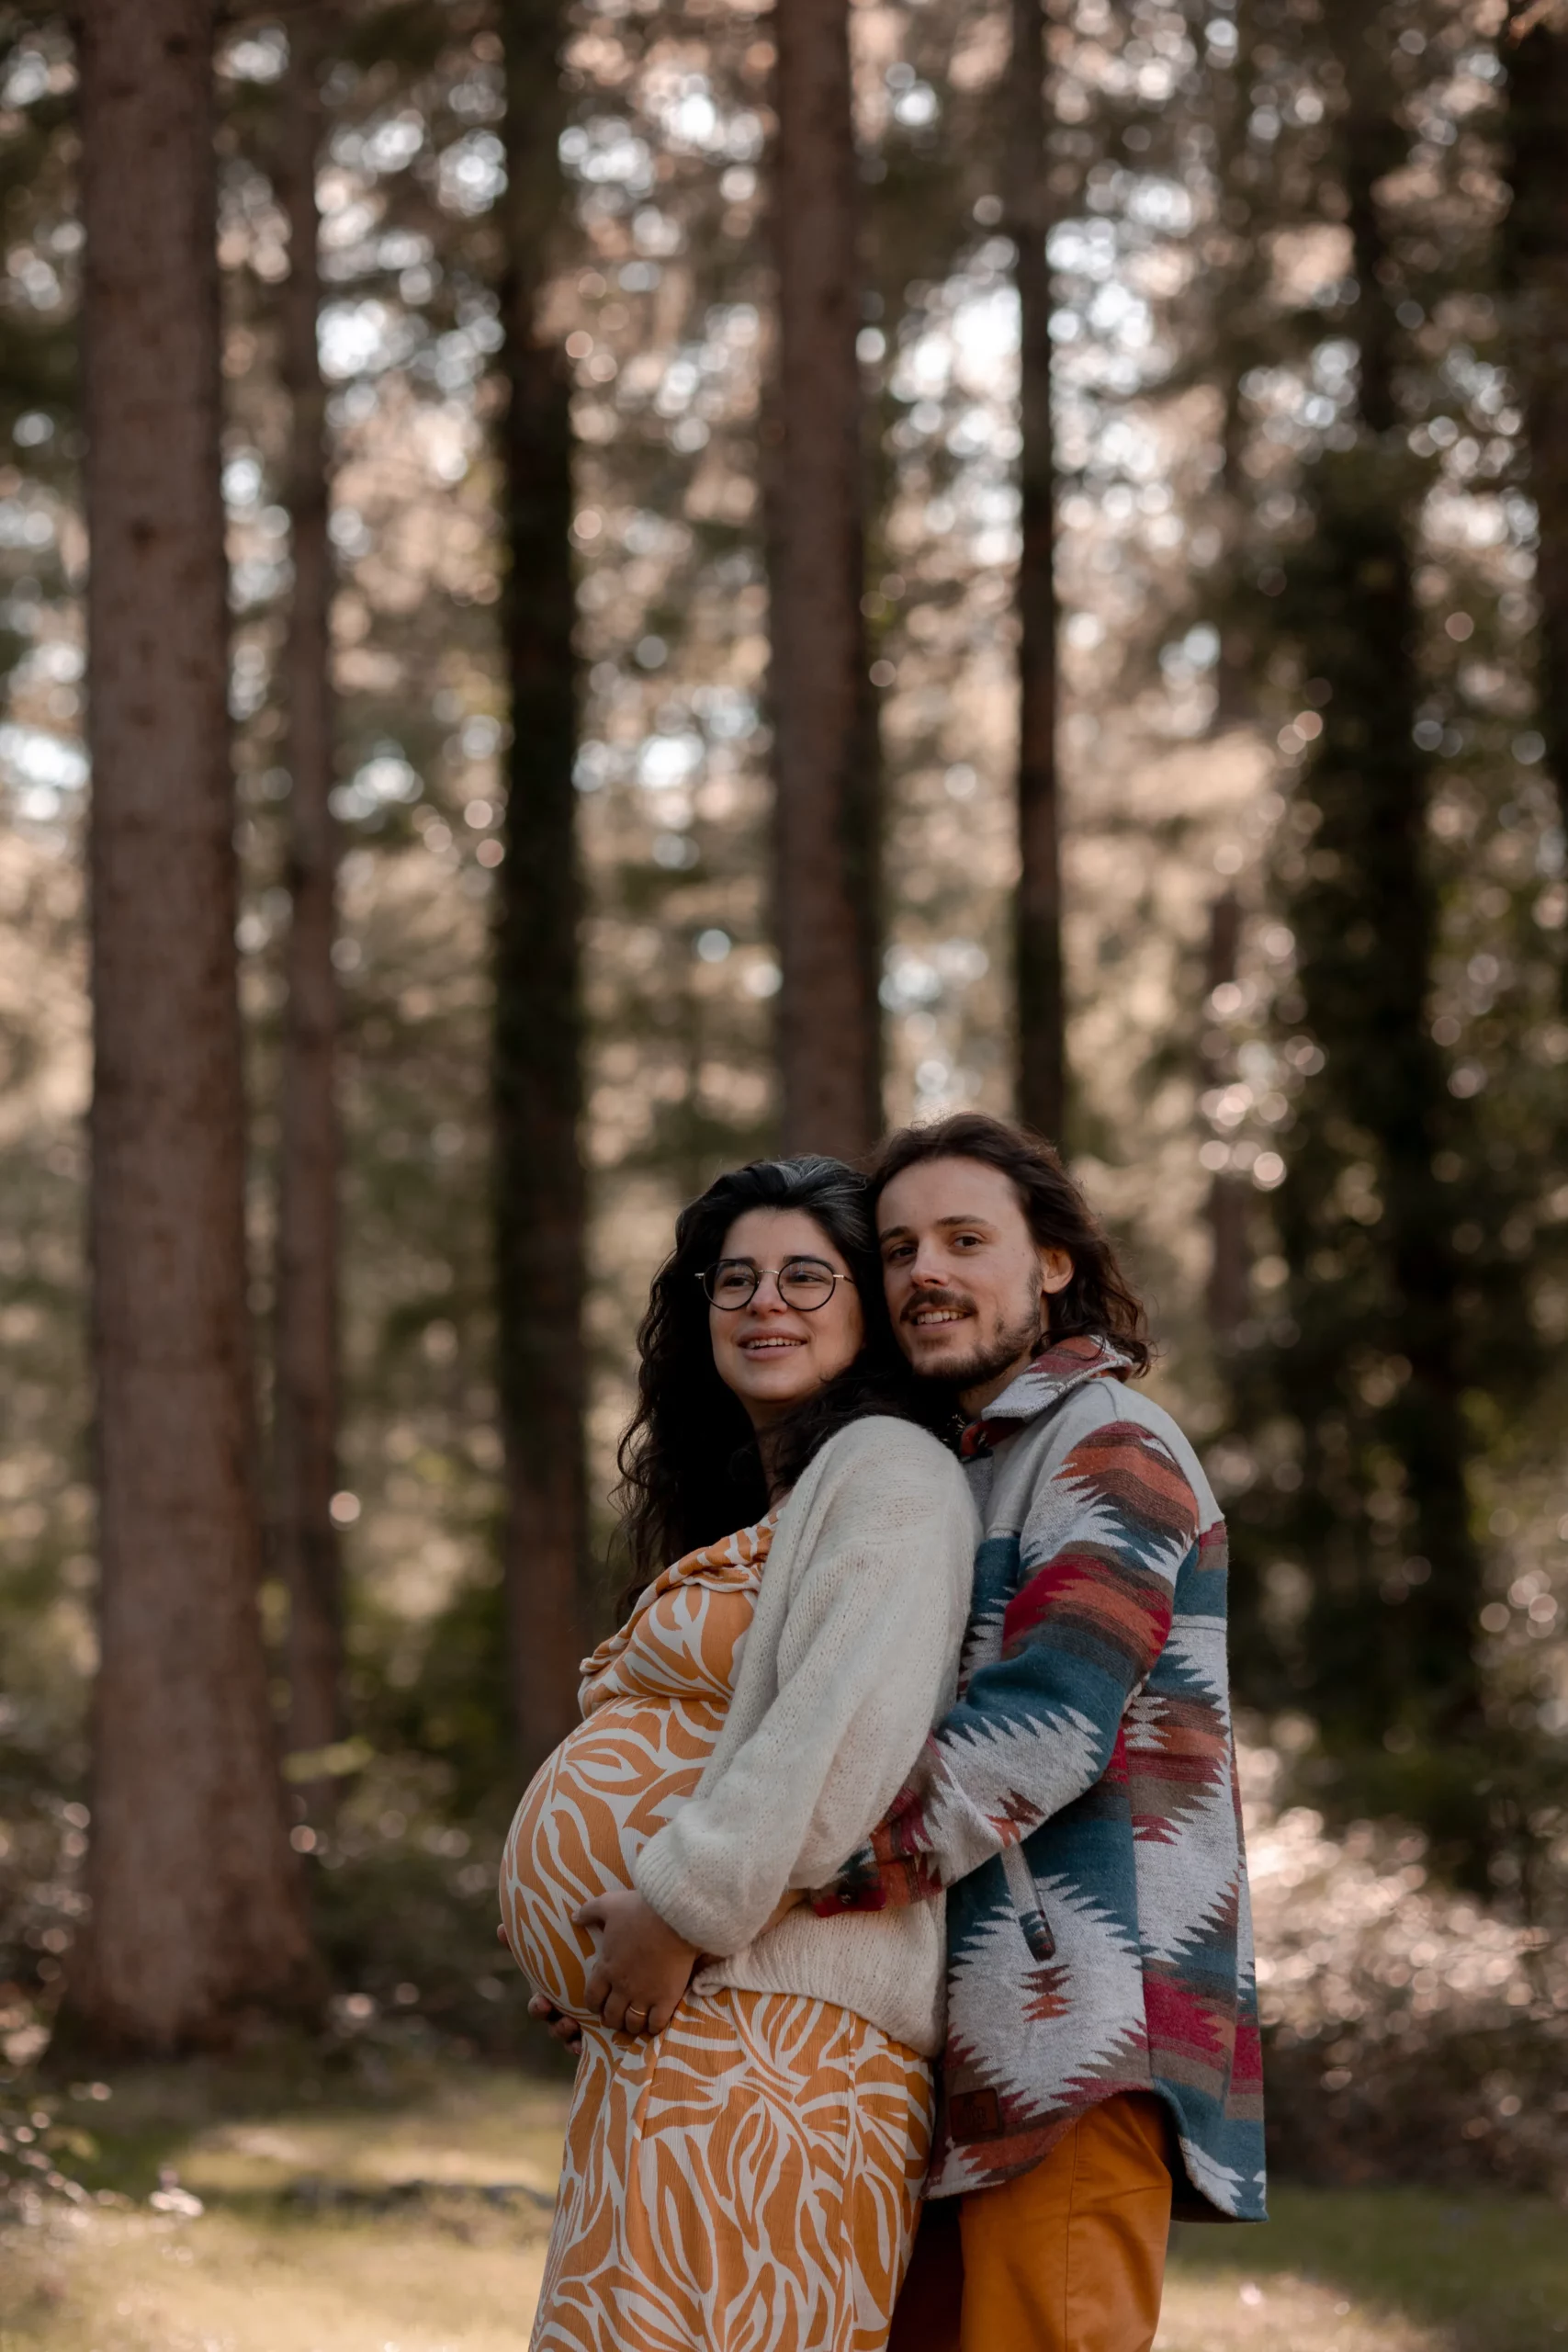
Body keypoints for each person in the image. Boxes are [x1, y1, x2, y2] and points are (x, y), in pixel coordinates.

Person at [499, 1155, 976, 2352]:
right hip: (694, 2029)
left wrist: (676, 1908)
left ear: (870, 1307)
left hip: (776, 2054)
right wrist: (599, 1961)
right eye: (737, 1277)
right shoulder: (778, 1502)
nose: (766, 1301)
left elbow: (842, 1738)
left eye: (809, 1277)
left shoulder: (889, 1468)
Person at [808, 1114, 1267, 2352]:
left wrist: (763, 1893)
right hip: (954, 2043)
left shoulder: (1107, 1444)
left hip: (1077, 2036)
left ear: (1052, 1261)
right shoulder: (957, 1467)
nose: (925, 1274)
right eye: (898, 1250)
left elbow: (1042, 1729)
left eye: (965, 1238)